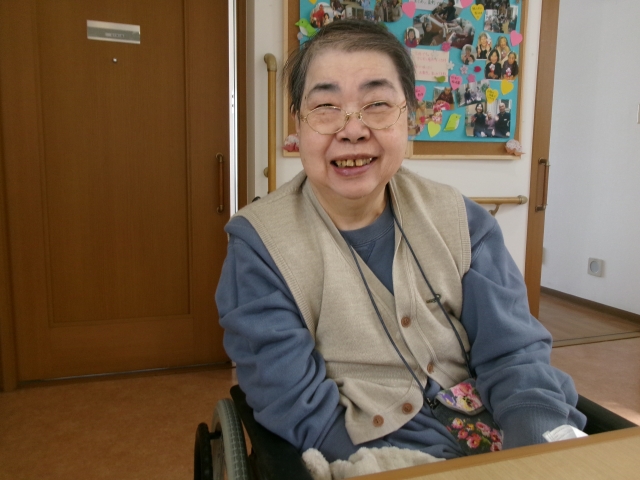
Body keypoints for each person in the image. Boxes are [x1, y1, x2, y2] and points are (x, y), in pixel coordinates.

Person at [216, 19, 585, 465]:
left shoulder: (461, 220)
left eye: (377, 104)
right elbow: (294, 402)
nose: (352, 130)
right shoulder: (260, 245)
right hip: (372, 453)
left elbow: (514, 352)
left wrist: (534, 445)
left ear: (409, 116)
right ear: (298, 124)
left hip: (495, 432)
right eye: (326, 106)